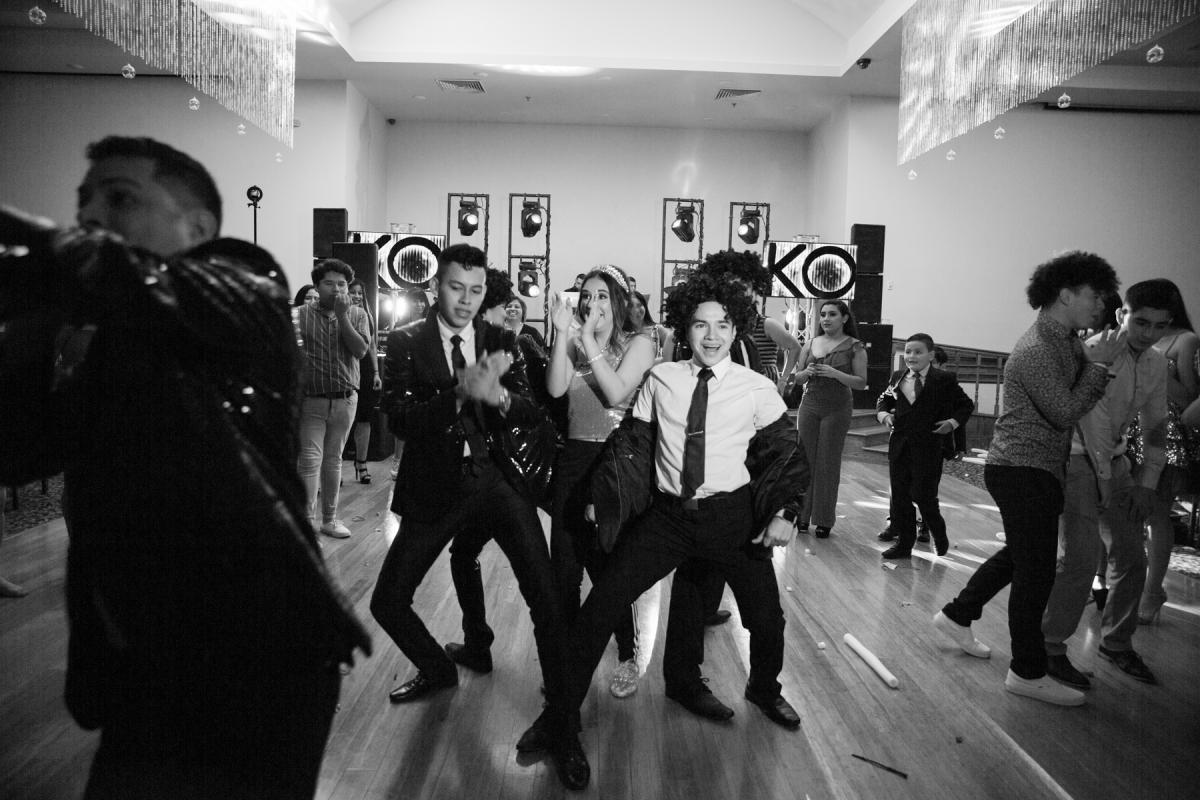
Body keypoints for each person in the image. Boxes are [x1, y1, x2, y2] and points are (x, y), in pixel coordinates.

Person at [0, 135, 369, 798]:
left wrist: (43, 253)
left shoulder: (245, 283)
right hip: (151, 658)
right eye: (84, 201)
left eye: (120, 198)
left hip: (259, 649)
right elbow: (20, 449)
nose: (91, 215)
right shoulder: (115, 336)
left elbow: (111, 269)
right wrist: (37, 322)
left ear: (198, 228)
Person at [518, 272, 810, 791]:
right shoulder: (662, 379)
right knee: (600, 607)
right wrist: (604, 496)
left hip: (731, 518)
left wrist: (786, 511)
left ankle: (763, 689)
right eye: (700, 324)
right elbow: (632, 442)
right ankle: (560, 718)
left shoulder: (757, 388)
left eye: (723, 325)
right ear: (685, 327)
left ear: (736, 329)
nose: (711, 335)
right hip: (669, 518)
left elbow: (786, 453)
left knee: (766, 619)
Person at [370, 243, 585, 786]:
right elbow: (399, 420)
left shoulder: (500, 340)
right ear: (435, 287)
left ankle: (564, 726)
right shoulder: (406, 341)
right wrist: (459, 393)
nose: (465, 300)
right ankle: (438, 668)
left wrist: (499, 398)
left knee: (546, 598)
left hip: (498, 480)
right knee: (387, 601)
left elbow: (535, 410)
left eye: (475, 290)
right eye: (455, 288)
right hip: (436, 488)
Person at [933, 251, 1123, 707]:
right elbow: (1064, 412)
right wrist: (1099, 368)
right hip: (1022, 469)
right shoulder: (1038, 348)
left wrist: (1097, 360)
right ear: (1065, 295)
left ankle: (958, 615)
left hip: (1035, 468)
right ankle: (1027, 671)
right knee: (1036, 573)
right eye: (1094, 295)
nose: (1101, 305)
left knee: (1022, 557)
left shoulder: (1065, 341)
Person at [1039, 279, 1170, 690]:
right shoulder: (1093, 351)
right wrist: (1107, 480)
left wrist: (1148, 483)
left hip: (1114, 462)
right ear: (1121, 315)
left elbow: (1156, 425)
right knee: (1080, 558)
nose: (1149, 334)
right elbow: (1090, 424)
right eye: (1141, 322)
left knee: (1132, 557)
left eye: (1160, 326)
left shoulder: (1156, 363)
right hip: (1076, 460)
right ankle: (1049, 648)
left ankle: (1117, 643)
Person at [544, 264, 656, 698]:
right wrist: (561, 335)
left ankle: (627, 655)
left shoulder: (640, 343)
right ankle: (570, 659)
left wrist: (587, 339)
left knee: (610, 570)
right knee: (565, 568)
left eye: (602, 296)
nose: (592, 303)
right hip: (574, 460)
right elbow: (556, 390)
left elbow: (616, 393)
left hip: (615, 464)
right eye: (586, 296)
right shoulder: (575, 341)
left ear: (620, 301)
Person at [1126, 280, 1198, 623]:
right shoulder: (1131, 336)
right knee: (1124, 512)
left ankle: (1152, 591)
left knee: (1157, 514)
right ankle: (1121, 584)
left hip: (1166, 436)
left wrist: (1155, 368)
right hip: (1131, 431)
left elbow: (1189, 399)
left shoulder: (1185, 340)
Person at [875, 333, 974, 559]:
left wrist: (952, 423)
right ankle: (904, 545)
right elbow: (885, 399)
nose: (911, 356)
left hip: (929, 447)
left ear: (931, 355)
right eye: (908, 351)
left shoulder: (944, 379)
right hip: (900, 445)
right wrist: (883, 415)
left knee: (922, 495)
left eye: (918, 352)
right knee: (900, 497)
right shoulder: (898, 376)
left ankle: (938, 530)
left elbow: (965, 405)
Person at [294, 258, 370, 538]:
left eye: (342, 284)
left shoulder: (358, 314)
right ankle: (305, 525)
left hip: (345, 398)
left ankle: (330, 519)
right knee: (309, 460)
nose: (337, 289)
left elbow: (360, 351)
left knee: (333, 460)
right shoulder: (299, 315)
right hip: (310, 399)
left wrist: (343, 316)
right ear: (316, 286)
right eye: (329, 284)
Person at [793, 299, 868, 537]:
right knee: (804, 461)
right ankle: (801, 516)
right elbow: (798, 378)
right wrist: (805, 373)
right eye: (823, 314)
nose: (826, 319)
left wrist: (835, 373)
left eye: (832, 314)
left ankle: (824, 520)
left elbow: (861, 382)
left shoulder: (855, 347)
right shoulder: (810, 343)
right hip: (809, 405)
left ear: (844, 318)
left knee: (828, 462)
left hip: (837, 408)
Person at [348, 279, 382, 484]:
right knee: (345, 420)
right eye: (353, 292)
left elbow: (372, 346)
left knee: (365, 418)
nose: (357, 296)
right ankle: (335, 464)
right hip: (347, 368)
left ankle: (361, 463)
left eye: (360, 293)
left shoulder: (368, 315)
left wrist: (376, 372)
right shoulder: (340, 315)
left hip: (366, 370)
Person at [629, 289, 674, 363]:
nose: (636, 310)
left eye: (639, 305)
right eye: (630, 307)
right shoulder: (622, 334)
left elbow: (670, 357)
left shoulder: (658, 330)